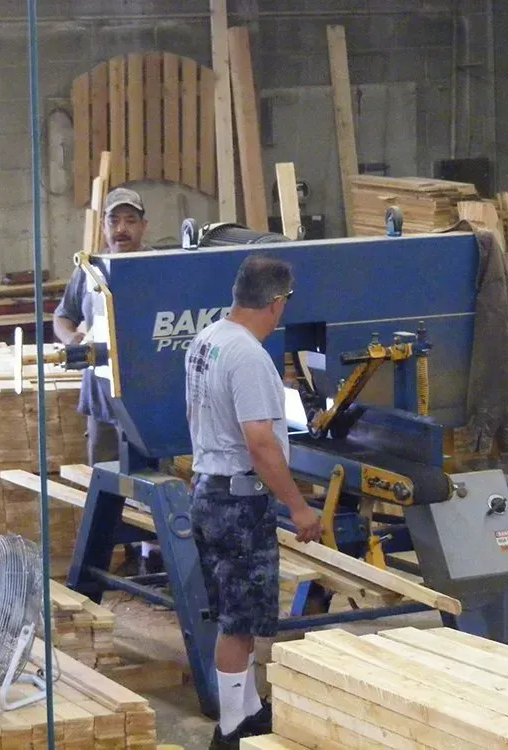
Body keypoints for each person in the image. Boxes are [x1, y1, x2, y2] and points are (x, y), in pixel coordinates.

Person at [184, 254, 323, 749]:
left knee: (234, 616)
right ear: (276, 302)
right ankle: (229, 733)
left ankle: (247, 713)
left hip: (210, 490)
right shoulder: (248, 356)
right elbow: (260, 442)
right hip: (240, 503)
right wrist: (299, 506)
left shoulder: (207, 340)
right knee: (241, 624)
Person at [53, 187, 152, 465]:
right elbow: (62, 315)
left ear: (144, 226)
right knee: (104, 481)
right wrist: (70, 337)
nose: (121, 228)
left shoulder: (157, 269)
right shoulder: (88, 272)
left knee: (150, 481)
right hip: (100, 400)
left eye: (131, 221)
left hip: (146, 398)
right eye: (114, 220)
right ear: (103, 226)